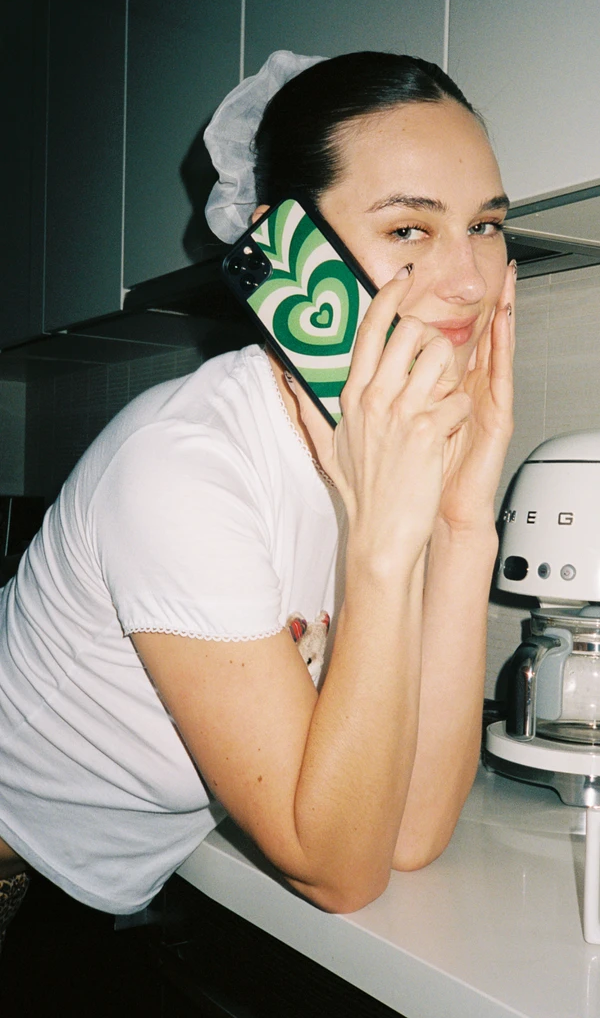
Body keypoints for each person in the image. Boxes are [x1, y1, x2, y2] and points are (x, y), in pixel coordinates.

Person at [0, 50, 515, 929]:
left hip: (77, 897)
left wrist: (464, 524)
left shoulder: (387, 458)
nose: (471, 279)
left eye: (487, 225)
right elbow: (337, 872)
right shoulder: (183, 468)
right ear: (282, 247)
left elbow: (407, 832)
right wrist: (385, 549)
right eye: (409, 229)